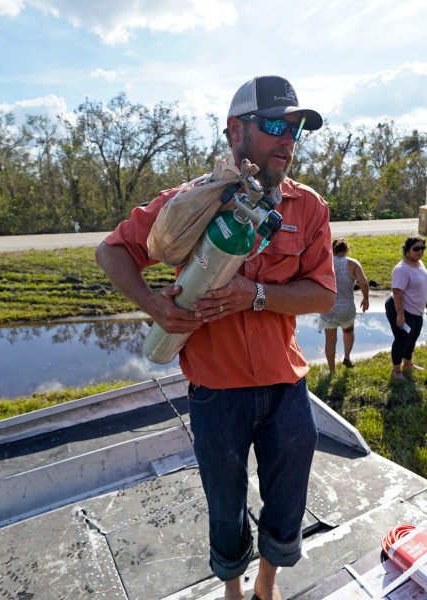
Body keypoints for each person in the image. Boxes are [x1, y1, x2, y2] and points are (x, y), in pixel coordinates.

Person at [95, 75, 335, 600]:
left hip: (286, 386)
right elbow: (111, 252)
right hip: (216, 393)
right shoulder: (190, 202)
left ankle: (266, 583)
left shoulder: (308, 207)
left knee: (287, 496)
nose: (288, 140)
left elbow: (321, 294)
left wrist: (256, 295)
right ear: (235, 130)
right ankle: (232, 586)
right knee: (225, 502)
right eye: (274, 125)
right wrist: (155, 305)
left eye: (295, 129)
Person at [318, 238, 370, 374]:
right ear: (347, 250)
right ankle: (346, 356)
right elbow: (364, 283)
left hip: (328, 306)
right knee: (348, 332)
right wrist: (365, 298)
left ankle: (332, 371)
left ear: (333, 250)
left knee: (330, 340)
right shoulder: (353, 264)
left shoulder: (326, 263)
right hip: (347, 307)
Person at [384, 237, 427, 380]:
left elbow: (424, 286)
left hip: (416, 310)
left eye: (422, 248)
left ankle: (408, 364)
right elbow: (397, 293)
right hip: (400, 309)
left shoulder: (419, 263)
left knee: (413, 337)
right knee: (402, 339)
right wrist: (400, 315)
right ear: (406, 250)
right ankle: (396, 370)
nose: (420, 251)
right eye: (416, 248)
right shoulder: (402, 269)